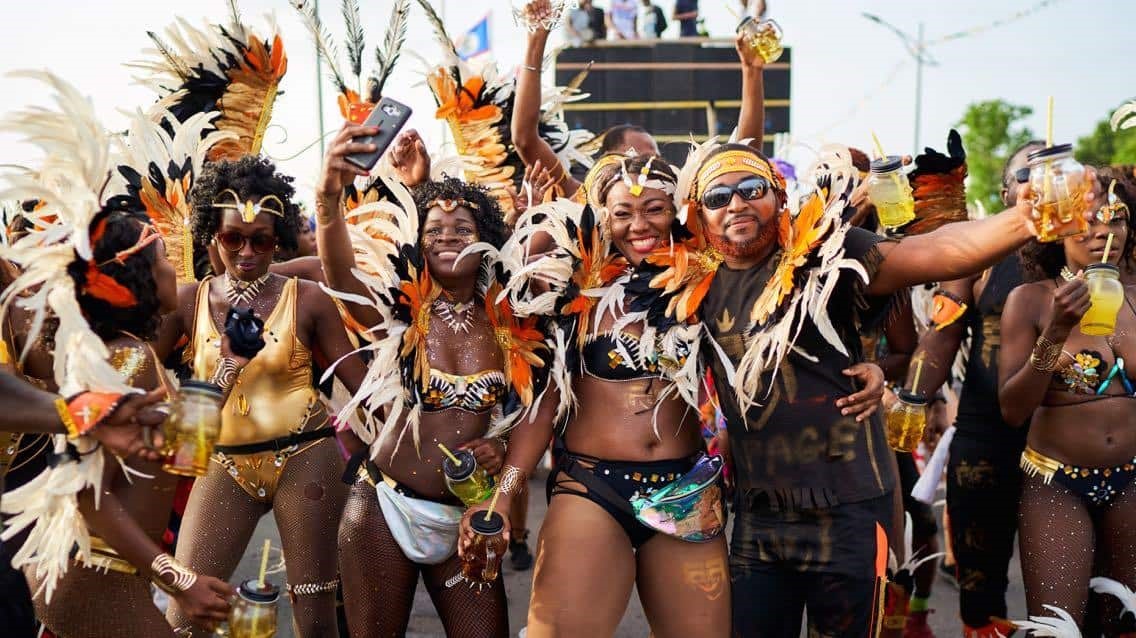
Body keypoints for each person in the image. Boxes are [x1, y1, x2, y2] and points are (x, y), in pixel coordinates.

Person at [653, 141, 1076, 636]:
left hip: (849, 513)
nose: (737, 204)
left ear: (780, 196)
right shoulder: (687, 285)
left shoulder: (829, 254)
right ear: (698, 214)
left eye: (752, 189)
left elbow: (935, 252)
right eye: (718, 197)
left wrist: (1028, 217)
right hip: (758, 521)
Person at [316, 124, 526, 636]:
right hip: (384, 506)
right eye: (434, 231)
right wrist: (327, 195)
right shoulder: (398, 309)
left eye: (462, 230)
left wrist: (500, 447)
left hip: (466, 514)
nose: (448, 239)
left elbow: (532, 407)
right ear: (417, 240)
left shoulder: (510, 316)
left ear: (488, 240)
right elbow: (340, 274)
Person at [159, 155, 368, 638]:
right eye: (234, 238)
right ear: (213, 235)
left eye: (263, 240)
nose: (247, 251)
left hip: (306, 458)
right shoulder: (189, 301)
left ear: (280, 240)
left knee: (315, 617)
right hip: (224, 462)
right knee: (183, 615)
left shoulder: (308, 298)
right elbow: (144, 374)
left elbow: (359, 385)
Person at [27, 208, 236, 638]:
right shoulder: (127, 358)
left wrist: (230, 364)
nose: (171, 268)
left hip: (106, 571)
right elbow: (84, 491)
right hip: (94, 572)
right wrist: (177, 579)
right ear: (137, 279)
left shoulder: (132, 353)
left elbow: (183, 454)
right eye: (162, 258)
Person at [906, 140, 1045, 638]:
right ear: (1007, 194)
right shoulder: (980, 256)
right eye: (1030, 174)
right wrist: (915, 400)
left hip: (1067, 440)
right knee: (981, 590)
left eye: (1057, 170)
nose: (1043, 182)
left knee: (1074, 582)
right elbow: (940, 334)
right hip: (987, 438)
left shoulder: (1095, 250)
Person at [997, 167, 1136, 633]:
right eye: (1088, 219)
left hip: (1133, 482)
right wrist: (1056, 331)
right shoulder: (1031, 300)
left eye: (1115, 218)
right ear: (1059, 228)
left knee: (1125, 623)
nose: (1103, 232)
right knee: (1060, 628)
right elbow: (1012, 409)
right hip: (1057, 484)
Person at [512, 0, 766, 201]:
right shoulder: (587, 201)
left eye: (654, 156)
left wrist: (752, 71)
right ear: (606, 164)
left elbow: (744, 156)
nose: (648, 164)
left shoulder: (680, 207)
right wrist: (536, 41)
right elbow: (524, 139)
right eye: (634, 154)